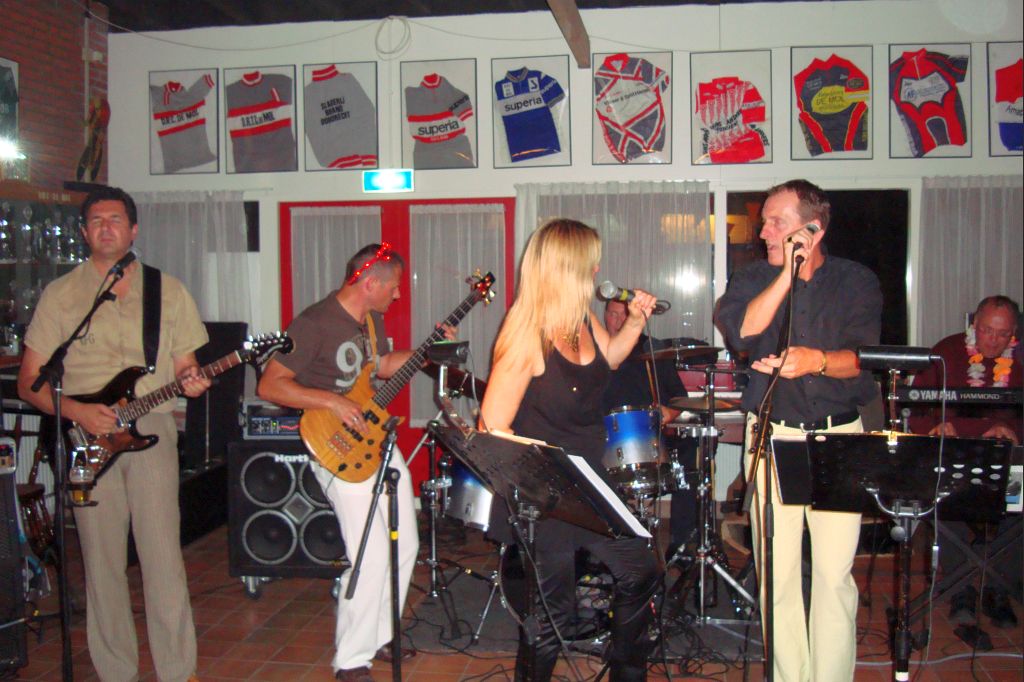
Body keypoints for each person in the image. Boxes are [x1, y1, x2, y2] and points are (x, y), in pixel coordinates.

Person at [17, 186, 210, 682]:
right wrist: (78, 412)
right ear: (84, 232)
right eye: (97, 220)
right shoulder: (61, 295)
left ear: (134, 230)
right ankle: (116, 672)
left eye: (116, 219)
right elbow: (30, 382)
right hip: (86, 441)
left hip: (152, 431)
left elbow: (185, 365)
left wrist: (192, 379)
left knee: (162, 557)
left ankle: (178, 671)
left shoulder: (168, 290)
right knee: (101, 563)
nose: (107, 227)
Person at [480, 219, 662, 681]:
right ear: (567, 268)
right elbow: (492, 426)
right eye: (590, 263)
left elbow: (610, 358)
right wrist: (544, 467)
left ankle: (625, 671)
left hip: (590, 481)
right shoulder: (526, 333)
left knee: (641, 570)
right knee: (553, 616)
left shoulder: (581, 318)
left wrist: (636, 321)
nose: (598, 270)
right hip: (544, 492)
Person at [257, 243, 449, 682]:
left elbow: (381, 366)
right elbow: (270, 385)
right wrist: (331, 401)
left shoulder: (370, 320)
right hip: (335, 447)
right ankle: (350, 661)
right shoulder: (313, 323)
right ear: (370, 283)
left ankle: (379, 635)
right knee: (370, 552)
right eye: (393, 287)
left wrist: (428, 352)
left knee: (406, 545)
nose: (397, 295)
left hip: (373, 436)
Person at [716, 179, 882, 682]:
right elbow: (742, 331)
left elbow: (863, 359)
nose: (763, 231)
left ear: (813, 229)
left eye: (776, 222)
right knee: (777, 574)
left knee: (833, 575)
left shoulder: (856, 281)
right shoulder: (752, 278)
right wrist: (787, 272)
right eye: (765, 222)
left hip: (839, 437)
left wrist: (817, 361)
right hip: (773, 436)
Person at [908, 295, 1022, 638]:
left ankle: (999, 587)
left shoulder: (1020, 360)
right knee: (947, 504)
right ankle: (961, 588)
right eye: (986, 330)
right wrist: (936, 425)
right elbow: (915, 410)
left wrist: (1011, 430)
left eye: (1002, 334)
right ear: (974, 325)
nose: (993, 340)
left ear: (1014, 333)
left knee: (1018, 509)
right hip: (952, 458)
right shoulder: (946, 352)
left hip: (1007, 461)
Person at [600, 299, 715, 561]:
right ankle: (602, 548)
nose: (617, 321)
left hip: (654, 437)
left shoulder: (653, 349)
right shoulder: (597, 350)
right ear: (604, 315)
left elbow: (678, 396)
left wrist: (669, 412)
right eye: (612, 315)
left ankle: (682, 544)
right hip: (609, 438)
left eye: (623, 315)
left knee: (691, 453)